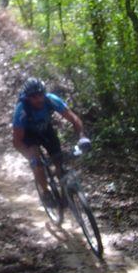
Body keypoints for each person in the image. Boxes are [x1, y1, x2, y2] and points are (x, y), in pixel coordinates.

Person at [12, 77, 91, 207]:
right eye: (34, 96)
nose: (39, 99)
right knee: (36, 161)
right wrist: (30, 158)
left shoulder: (51, 100)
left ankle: (64, 190)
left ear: (44, 93)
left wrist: (82, 137)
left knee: (58, 159)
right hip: (28, 135)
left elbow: (74, 119)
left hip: (46, 130)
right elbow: (17, 141)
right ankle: (46, 193)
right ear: (27, 98)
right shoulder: (21, 110)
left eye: (41, 95)